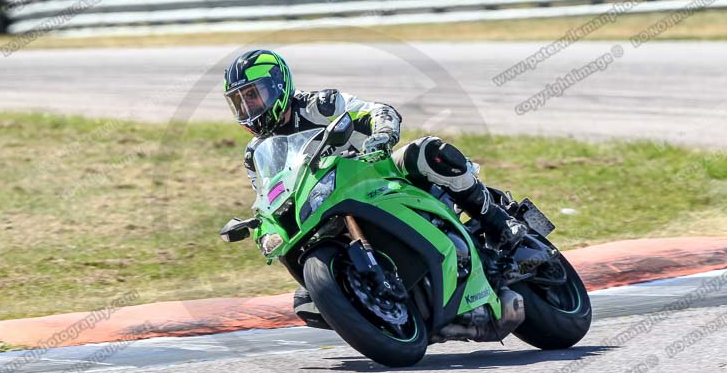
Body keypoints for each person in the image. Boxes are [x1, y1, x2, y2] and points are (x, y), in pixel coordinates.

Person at [224, 49, 526, 328]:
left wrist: (381, 134)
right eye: (240, 101)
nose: (248, 106)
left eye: (253, 95)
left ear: (278, 86)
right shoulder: (255, 154)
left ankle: (499, 223)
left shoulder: (319, 105)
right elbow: (268, 195)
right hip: (323, 207)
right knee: (307, 299)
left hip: (375, 174)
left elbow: (375, 111)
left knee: (427, 151)